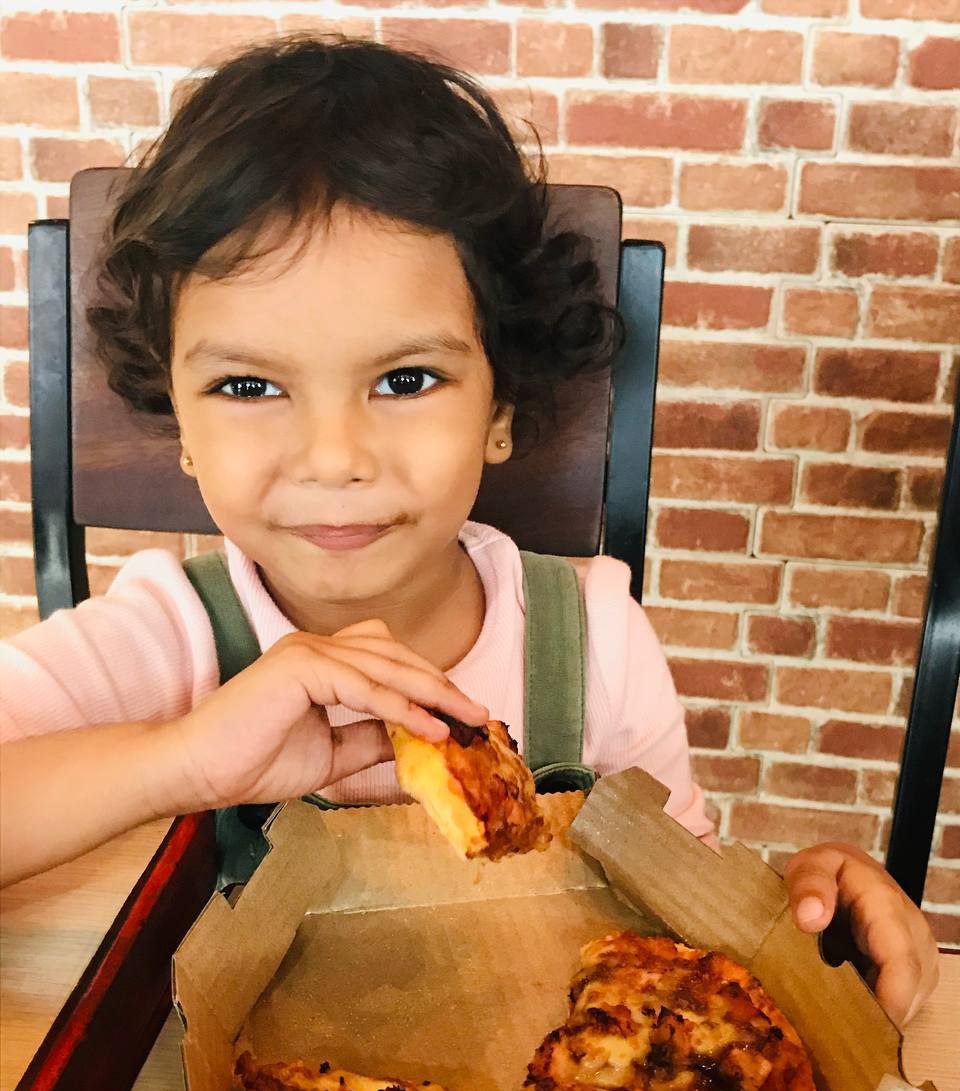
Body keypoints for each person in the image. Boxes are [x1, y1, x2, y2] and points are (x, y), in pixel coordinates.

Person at [0, 36, 938, 1024]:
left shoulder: (592, 641)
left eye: (405, 379)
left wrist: (809, 908)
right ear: (179, 421)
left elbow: (685, 911)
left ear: (502, 407)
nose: (334, 455)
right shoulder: (165, 637)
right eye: (248, 385)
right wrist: (181, 755)